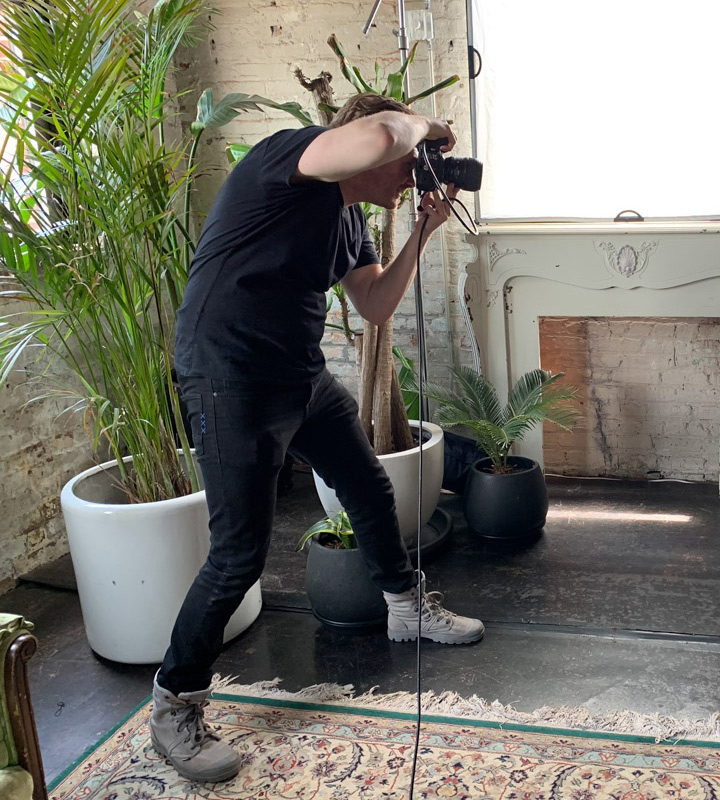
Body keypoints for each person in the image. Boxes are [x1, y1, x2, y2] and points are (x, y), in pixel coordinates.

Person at [149, 93, 484, 783]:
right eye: (407, 164)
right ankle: (174, 703)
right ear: (377, 145)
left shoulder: (349, 220)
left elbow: (374, 304)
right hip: (229, 376)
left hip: (299, 375)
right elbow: (384, 131)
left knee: (365, 482)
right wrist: (427, 129)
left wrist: (424, 230)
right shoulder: (290, 158)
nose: (409, 173)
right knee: (239, 553)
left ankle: (402, 608)